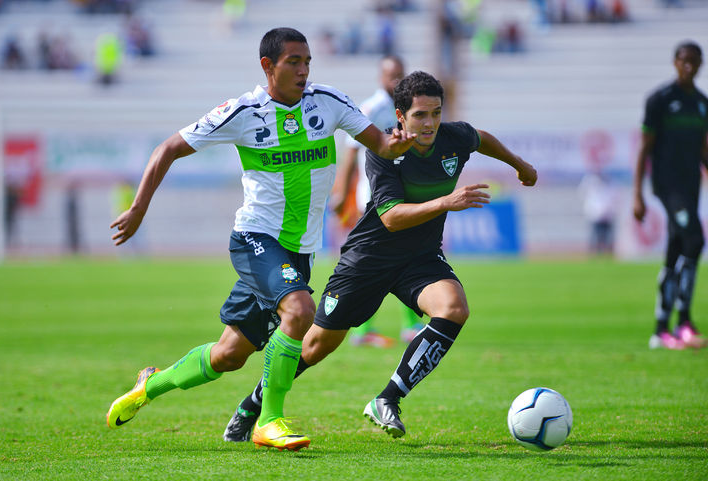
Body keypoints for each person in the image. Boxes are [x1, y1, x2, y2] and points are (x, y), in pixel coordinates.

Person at [105, 27, 416, 452]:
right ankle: (269, 421)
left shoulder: (329, 102)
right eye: (294, 62)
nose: (304, 71)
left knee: (229, 355)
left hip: (299, 251)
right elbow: (168, 148)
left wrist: (399, 143)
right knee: (300, 309)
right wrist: (139, 208)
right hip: (256, 238)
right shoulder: (244, 112)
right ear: (268, 66)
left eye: (307, 62)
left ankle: (149, 385)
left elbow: (380, 144)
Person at [223, 70, 537, 442]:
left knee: (454, 308)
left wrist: (519, 164)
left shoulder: (455, 137)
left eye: (436, 113)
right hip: (368, 259)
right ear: (400, 116)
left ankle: (388, 398)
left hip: (419, 258)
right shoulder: (385, 151)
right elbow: (391, 218)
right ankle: (252, 405)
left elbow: (481, 138)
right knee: (316, 346)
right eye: (420, 115)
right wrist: (446, 202)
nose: (430, 123)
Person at [333, 55, 422, 348]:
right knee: (376, 262)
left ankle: (405, 326)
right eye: (391, 75)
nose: (396, 80)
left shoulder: (409, 109)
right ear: (380, 78)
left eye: (400, 74)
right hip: (374, 198)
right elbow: (351, 153)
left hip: (401, 195)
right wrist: (341, 193)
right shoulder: (371, 109)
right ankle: (365, 329)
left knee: (404, 256)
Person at [633, 40, 708, 350]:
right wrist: (637, 194)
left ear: (701, 64)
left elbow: (703, 150)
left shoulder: (702, 103)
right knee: (695, 240)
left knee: (677, 249)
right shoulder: (660, 99)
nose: (688, 65)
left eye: (694, 60)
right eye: (683, 60)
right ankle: (684, 321)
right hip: (667, 185)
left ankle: (662, 329)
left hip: (691, 185)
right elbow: (644, 149)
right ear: (675, 62)